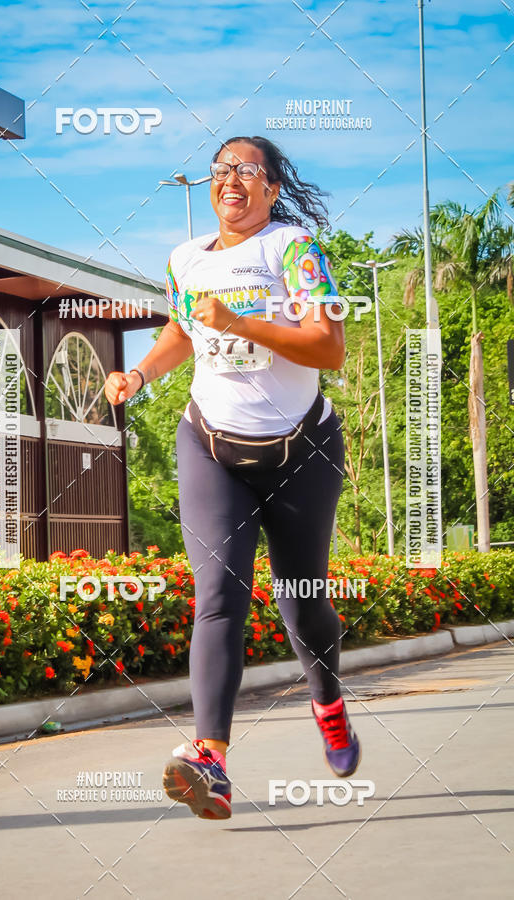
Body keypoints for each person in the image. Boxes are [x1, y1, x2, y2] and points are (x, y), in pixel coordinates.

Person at [105, 135, 360, 821]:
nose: (231, 182)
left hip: (300, 448)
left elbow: (330, 347)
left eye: (248, 172)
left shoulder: (295, 250)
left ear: (273, 188)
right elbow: (181, 332)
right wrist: (140, 375)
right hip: (211, 443)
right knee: (218, 594)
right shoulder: (186, 259)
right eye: (222, 171)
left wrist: (242, 319)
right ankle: (210, 760)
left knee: (301, 600)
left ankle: (328, 701)